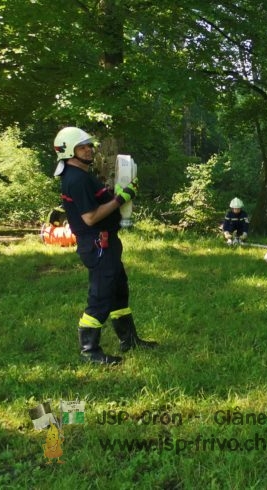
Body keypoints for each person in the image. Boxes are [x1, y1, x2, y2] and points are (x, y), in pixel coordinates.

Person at [53, 126, 158, 365]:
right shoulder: (76, 179)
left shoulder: (83, 174)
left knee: (119, 290)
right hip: (97, 245)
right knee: (100, 296)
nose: (90, 150)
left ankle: (128, 339)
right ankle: (90, 351)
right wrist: (122, 198)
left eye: (90, 145)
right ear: (69, 151)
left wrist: (116, 193)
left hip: (108, 243)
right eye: (83, 147)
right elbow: (90, 217)